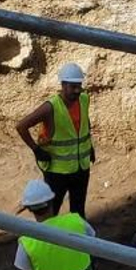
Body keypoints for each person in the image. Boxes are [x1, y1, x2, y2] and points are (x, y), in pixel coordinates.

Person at [17, 61, 93, 216]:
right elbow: (21, 126)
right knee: (52, 212)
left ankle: (77, 232)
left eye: (79, 86)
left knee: (78, 212)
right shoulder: (50, 107)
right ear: (63, 85)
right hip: (57, 171)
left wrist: (90, 147)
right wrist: (36, 149)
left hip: (81, 168)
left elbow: (85, 123)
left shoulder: (84, 99)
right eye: (73, 86)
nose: (77, 90)